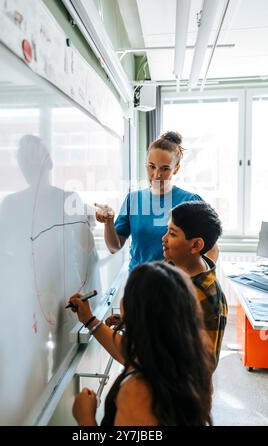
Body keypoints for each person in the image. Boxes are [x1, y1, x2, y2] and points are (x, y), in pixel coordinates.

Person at [69, 262, 214, 426]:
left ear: (139, 312)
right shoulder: (182, 357)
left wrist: (85, 418)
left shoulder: (138, 392)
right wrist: (90, 320)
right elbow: (129, 352)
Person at [95, 131, 217, 271]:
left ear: (176, 169)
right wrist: (108, 222)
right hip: (139, 284)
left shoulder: (190, 201)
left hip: (175, 286)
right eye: (152, 166)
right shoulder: (133, 200)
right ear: (146, 165)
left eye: (165, 169)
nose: (157, 175)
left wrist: (197, 283)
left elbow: (212, 250)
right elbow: (114, 247)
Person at [162, 201, 228, 368]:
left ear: (196, 245)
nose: (164, 239)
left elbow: (203, 367)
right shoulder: (177, 267)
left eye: (172, 233)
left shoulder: (201, 297)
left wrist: (91, 321)